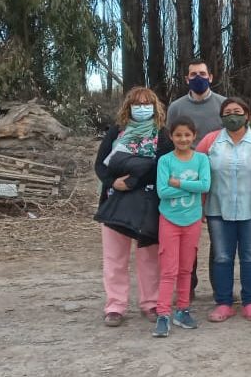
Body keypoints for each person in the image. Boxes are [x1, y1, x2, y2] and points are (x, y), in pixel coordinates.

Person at [196, 98, 251, 323]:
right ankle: (224, 302)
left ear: (248, 115)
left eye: (237, 111)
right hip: (218, 209)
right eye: (227, 112)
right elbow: (196, 169)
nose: (232, 116)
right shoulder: (210, 141)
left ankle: (250, 302)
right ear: (221, 116)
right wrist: (199, 204)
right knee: (222, 257)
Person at [93, 87, 172, 328]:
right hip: (116, 200)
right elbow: (101, 164)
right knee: (115, 257)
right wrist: (112, 182)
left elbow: (163, 167)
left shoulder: (162, 135)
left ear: (155, 106)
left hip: (148, 202)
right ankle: (115, 306)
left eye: (147, 103)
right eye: (137, 103)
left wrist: (134, 180)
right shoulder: (117, 132)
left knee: (149, 257)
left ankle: (150, 303)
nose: (142, 107)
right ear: (128, 106)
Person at [165, 59, 226, 300]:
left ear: (210, 77)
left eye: (202, 73)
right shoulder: (176, 107)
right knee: (186, 237)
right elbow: (170, 141)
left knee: (218, 238)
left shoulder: (222, 104)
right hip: (184, 182)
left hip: (216, 180)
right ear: (186, 79)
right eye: (193, 74)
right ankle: (187, 287)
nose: (198, 77)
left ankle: (218, 287)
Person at [153, 117, 211, 338]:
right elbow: (162, 192)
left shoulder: (201, 160)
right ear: (171, 136)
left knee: (186, 269)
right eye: (178, 135)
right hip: (169, 219)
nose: (183, 139)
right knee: (169, 270)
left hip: (192, 220)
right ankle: (163, 314)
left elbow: (205, 185)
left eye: (187, 135)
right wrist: (191, 188)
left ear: (194, 135)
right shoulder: (165, 161)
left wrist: (177, 183)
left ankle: (183, 309)